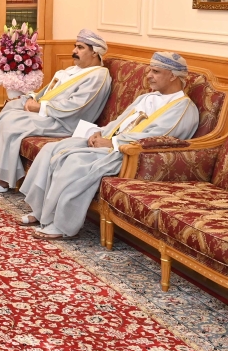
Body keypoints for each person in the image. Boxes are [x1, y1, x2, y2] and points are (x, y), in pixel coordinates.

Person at [19, 52, 200, 240]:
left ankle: (61, 225)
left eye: (156, 72)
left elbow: (156, 139)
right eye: (149, 71)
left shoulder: (183, 108)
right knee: (52, 148)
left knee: (73, 161)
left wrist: (113, 142)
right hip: (109, 142)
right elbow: (120, 121)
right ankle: (41, 212)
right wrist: (101, 132)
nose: (149, 76)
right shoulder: (148, 98)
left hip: (129, 155)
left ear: (173, 76)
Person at [0, 29, 113, 193]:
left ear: (95, 52)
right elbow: (48, 92)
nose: (74, 51)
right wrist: (30, 98)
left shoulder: (98, 76)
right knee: (6, 111)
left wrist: (40, 107)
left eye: (80, 47)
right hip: (51, 114)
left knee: (11, 123)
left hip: (65, 122)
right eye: (75, 46)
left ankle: (2, 179)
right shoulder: (73, 71)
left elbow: (76, 106)